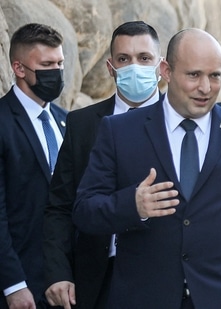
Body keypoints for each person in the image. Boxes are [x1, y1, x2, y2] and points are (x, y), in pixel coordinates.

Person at [72, 28, 221, 309]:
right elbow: (84, 212)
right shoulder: (119, 131)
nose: (205, 88)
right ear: (166, 71)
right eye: (194, 75)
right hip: (144, 298)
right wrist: (131, 206)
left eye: (214, 76)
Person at [42, 21, 162, 309]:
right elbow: (59, 205)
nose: (134, 67)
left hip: (163, 279)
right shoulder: (81, 124)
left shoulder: (180, 123)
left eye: (144, 58)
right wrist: (58, 272)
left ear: (162, 66)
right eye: (124, 59)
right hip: (97, 279)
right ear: (110, 67)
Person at [0, 23, 67, 309]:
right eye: (47, 64)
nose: (56, 71)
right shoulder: (2, 122)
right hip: (21, 286)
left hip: (64, 285)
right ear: (19, 68)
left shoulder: (66, 121)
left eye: (60, 63)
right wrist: (13, 284)